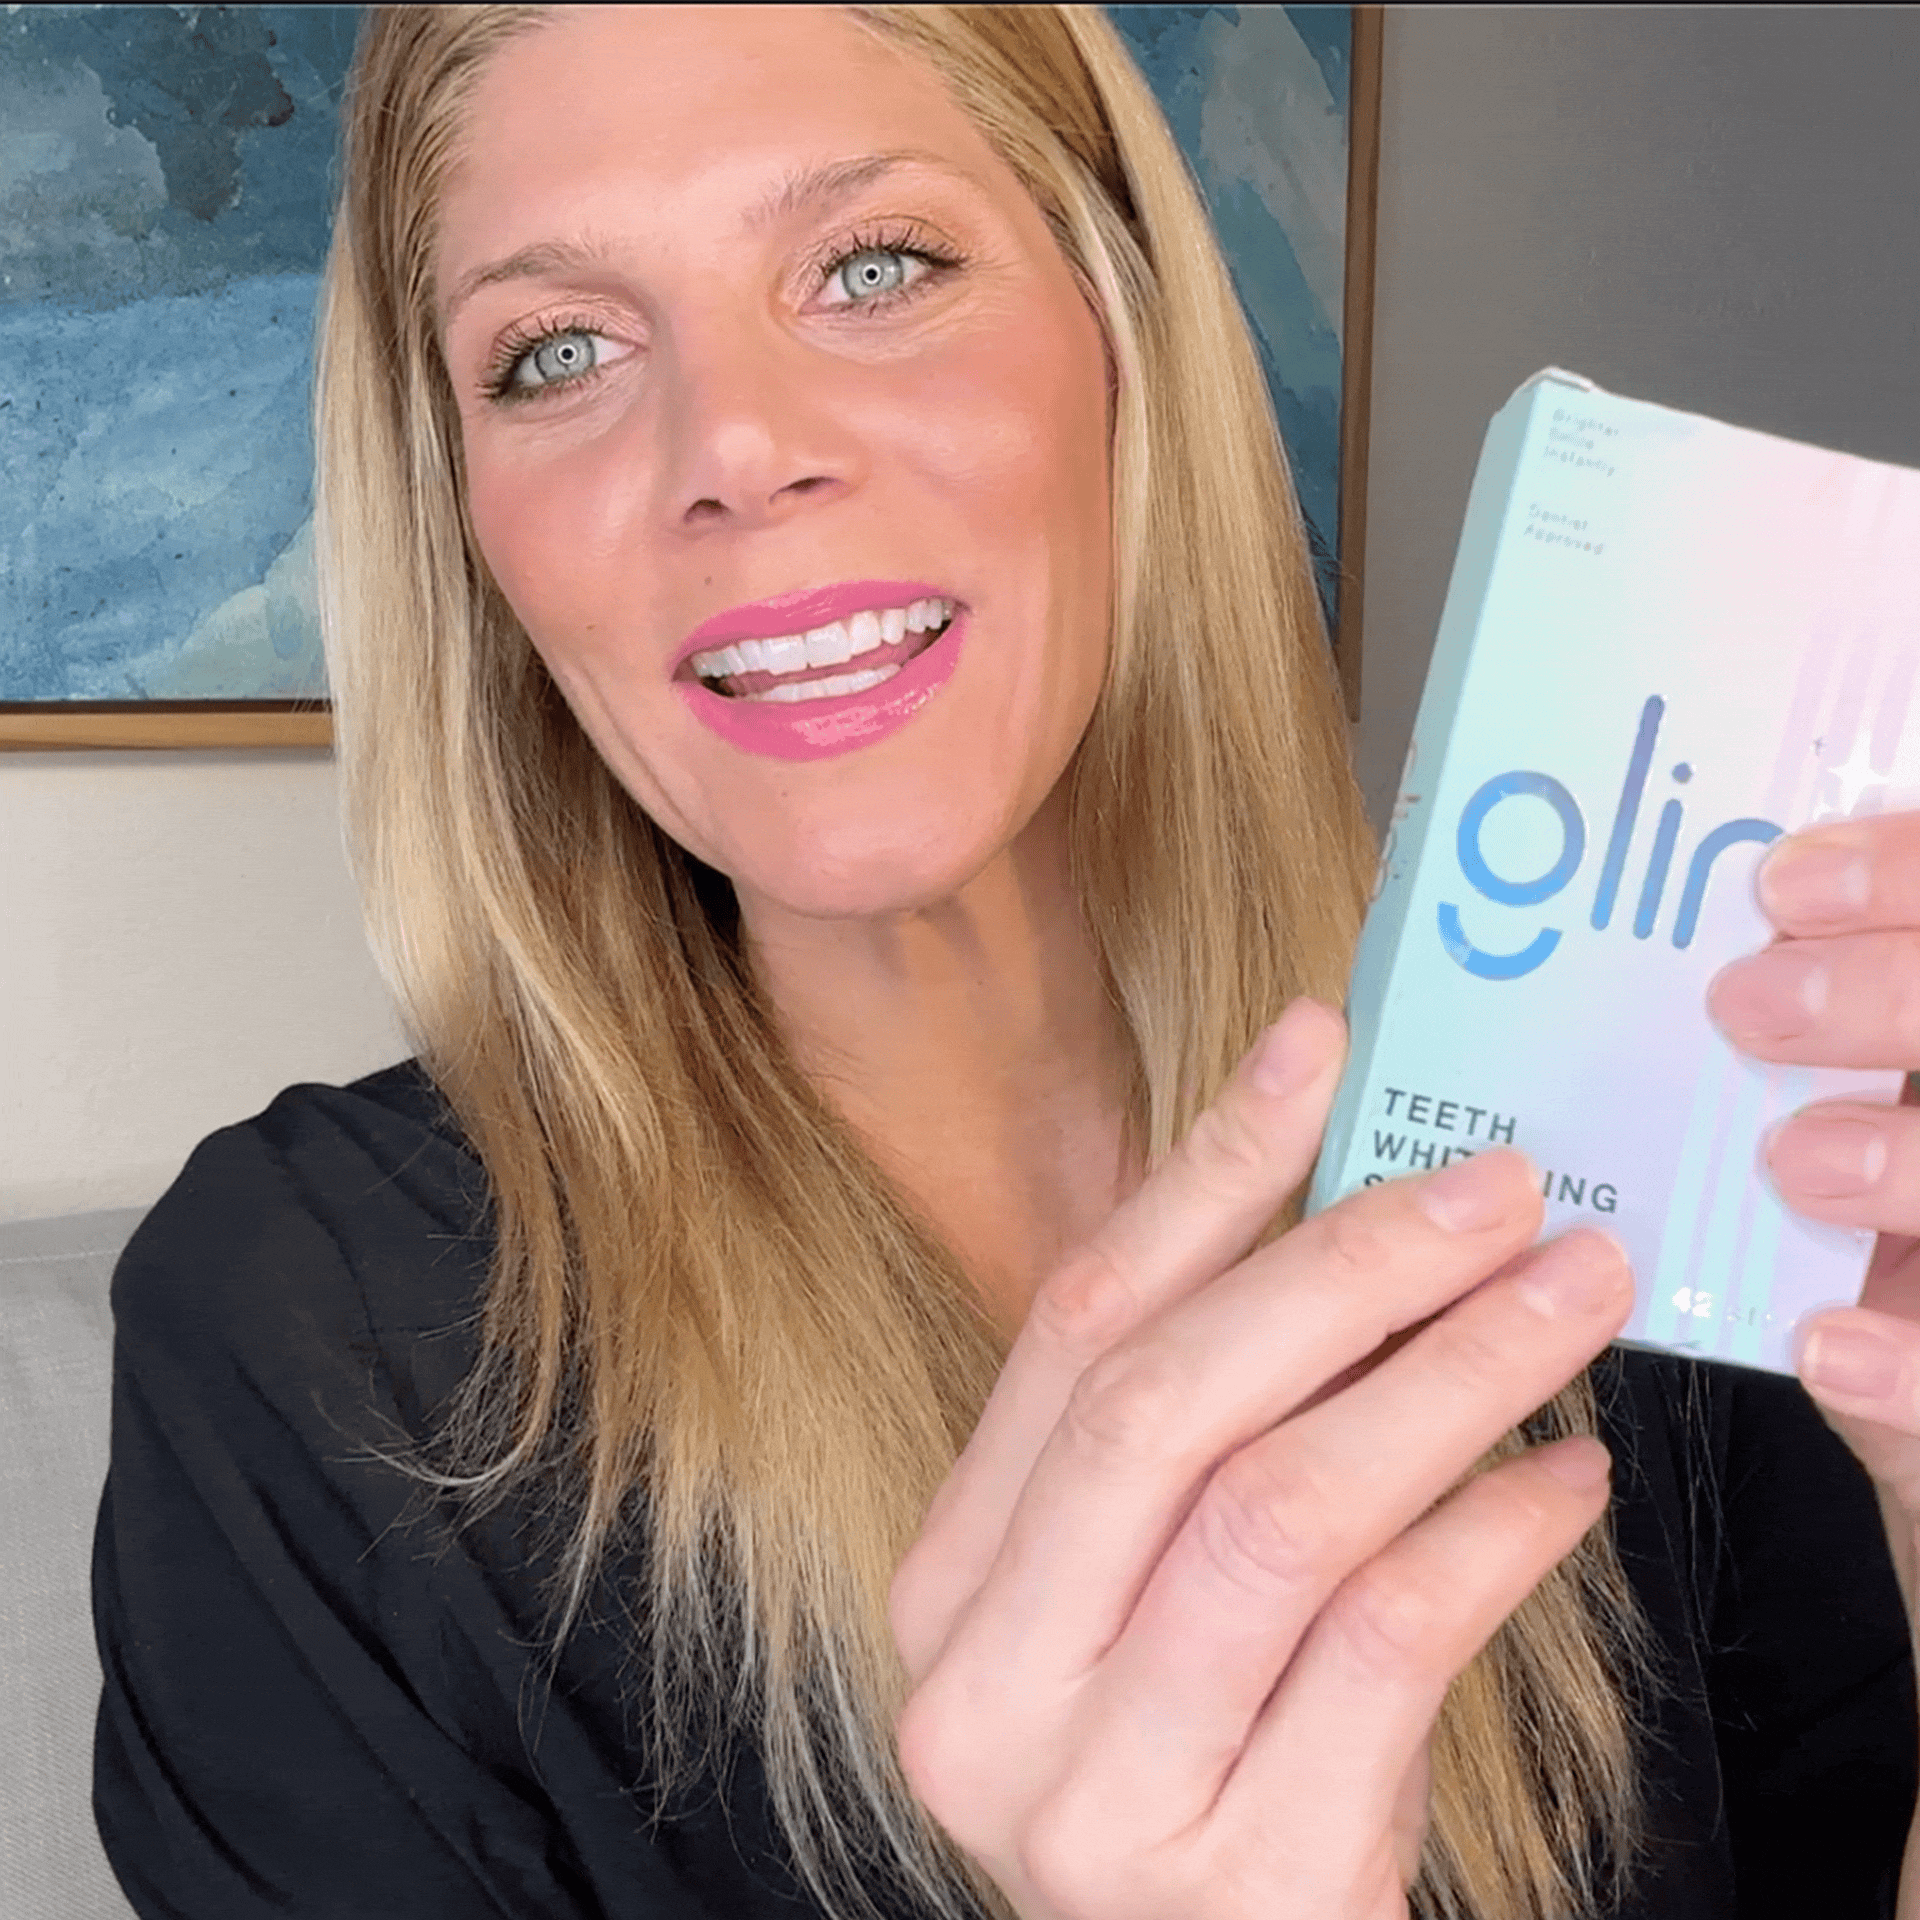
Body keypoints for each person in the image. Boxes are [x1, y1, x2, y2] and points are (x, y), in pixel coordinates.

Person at [88, 7, 1920, 1918]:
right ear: (470, 524)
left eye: (874, 266)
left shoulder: (1614, 1119)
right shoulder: (310, 1343)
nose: (735, 449)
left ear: (1122, 331)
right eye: (557, 352)